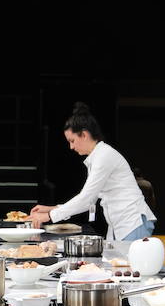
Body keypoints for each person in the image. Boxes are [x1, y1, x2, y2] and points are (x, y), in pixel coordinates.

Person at [30, 102, 156, 241]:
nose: (71, 147)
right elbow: (89, 199)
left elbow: (86, 199)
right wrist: (53, 209)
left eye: (72, 140)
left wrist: (49, 215)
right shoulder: (98, 156)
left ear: (84, 135)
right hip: (123, 224)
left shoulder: (103, 156)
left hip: (132, 223)